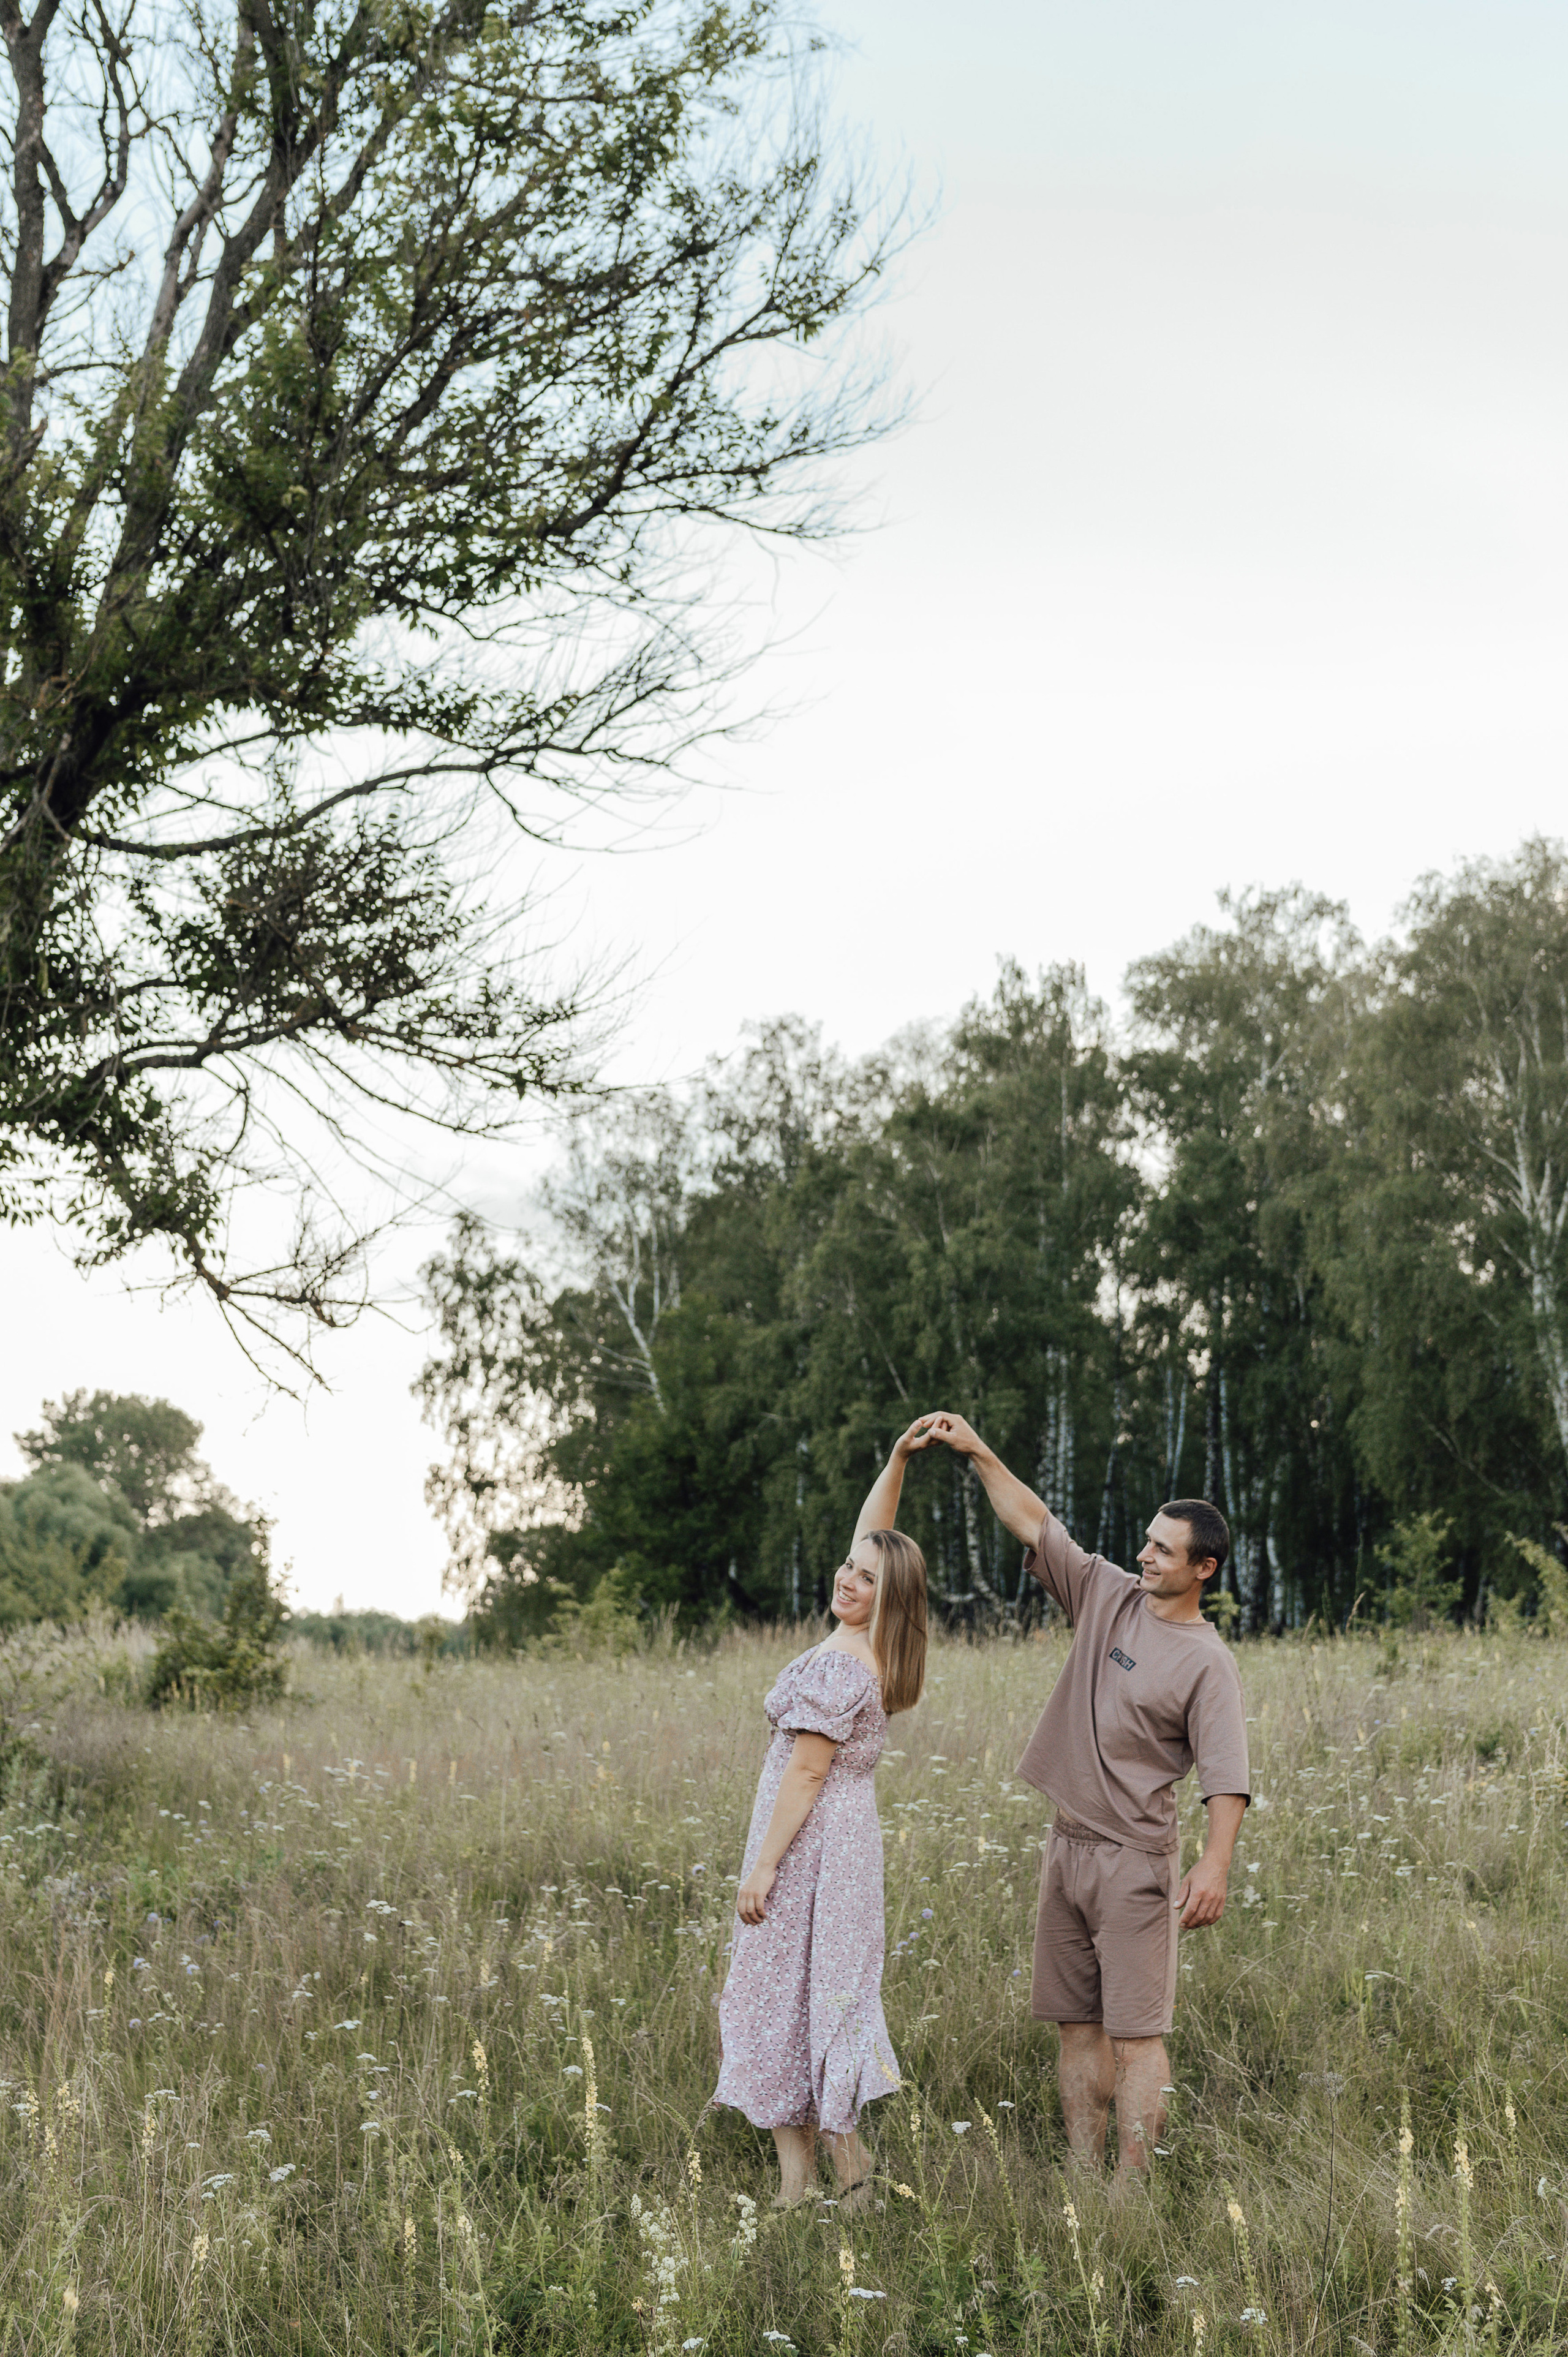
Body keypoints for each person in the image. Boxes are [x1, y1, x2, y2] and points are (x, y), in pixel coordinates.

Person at [927, 1412, 1249, 2175]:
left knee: (1137, 2035)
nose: (1145, 1554)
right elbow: (1035, 1522)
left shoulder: (1208, 1663)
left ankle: (1129, 2195)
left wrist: (1214, 1865)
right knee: (1076, 2026)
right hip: (1064, 1848)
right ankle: (1080, 2172)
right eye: (1146, 1540)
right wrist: (976, 1450)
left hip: (1135, 1863)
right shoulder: (1109, 1593)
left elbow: (1226, 1772)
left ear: (1202, 1568)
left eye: (1163, 1549)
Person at [712, 1419, 933, 2209]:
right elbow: (873, 1534)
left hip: (807, 1847)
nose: (848, 1576)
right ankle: (810, 2183)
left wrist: (764, 1865)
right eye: (847, 1565)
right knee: (820, 1999)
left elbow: (805, 1772)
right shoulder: (868, 1648)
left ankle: (842, 2181)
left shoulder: (842, 1663)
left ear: (889, 1597)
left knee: (784, 1997)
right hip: (843, 1846)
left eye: (866, 1577)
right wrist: (897, 1457)